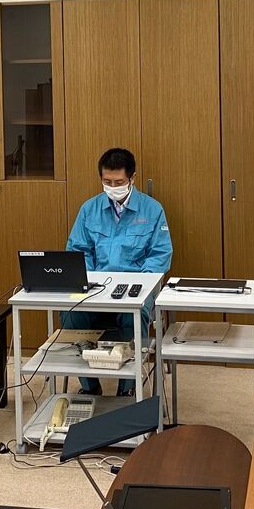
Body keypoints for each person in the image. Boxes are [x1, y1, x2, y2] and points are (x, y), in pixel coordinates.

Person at [62, 148, 172, 396]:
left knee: (134, 314)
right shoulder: (89, 209)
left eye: (119, 182)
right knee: (70, 312)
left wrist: (140, 286)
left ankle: (128, 388)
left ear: (132, 178)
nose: (113, 187)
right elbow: (78, 250)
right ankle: (90, 385)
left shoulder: (152, 210)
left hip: (136, 288)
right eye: (107, 182)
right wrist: (89, 282)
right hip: (96, 288)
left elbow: (160, 255)